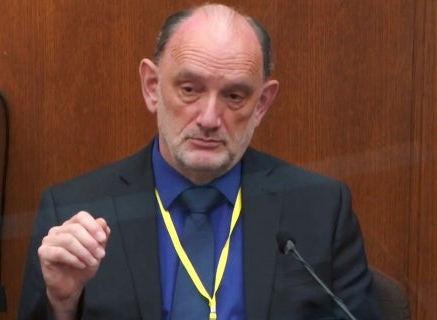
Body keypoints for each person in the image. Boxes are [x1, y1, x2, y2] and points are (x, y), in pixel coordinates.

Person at [19, 3, 382, 320]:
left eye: (234, 95)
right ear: (151, 87)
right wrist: (62, 305)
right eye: (190, 89)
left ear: (261, 105)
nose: (209, 118)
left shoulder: (320, 210)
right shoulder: (73, 210)